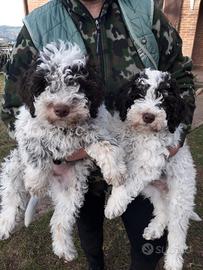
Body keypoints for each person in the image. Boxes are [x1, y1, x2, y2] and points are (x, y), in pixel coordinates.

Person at [1, 0, 195, 269]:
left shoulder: (145, 12)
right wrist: (62, 154)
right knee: (89, 240)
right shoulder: (38, 25)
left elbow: (181, 77)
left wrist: (176, 135)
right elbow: (13, 108)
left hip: (136, 157)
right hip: (79, 167)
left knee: (149, 245)